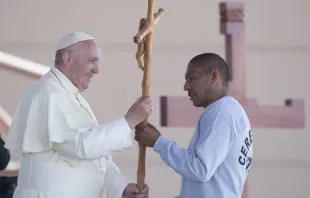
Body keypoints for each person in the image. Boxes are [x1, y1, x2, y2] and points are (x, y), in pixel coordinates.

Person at [4, 32, 151, 198]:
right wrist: (129, 121)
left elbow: (95, 159)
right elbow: (79, 147)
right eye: (92, 61)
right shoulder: (49, 93)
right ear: (68, 58)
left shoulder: (70, 96)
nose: (97, 69)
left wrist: (121, 187)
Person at [134, 53, 253, 198]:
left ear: (214, 76)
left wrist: (158, 142)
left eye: (191, 78)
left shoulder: (222, 111)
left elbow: (201, 169)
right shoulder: (227, 111)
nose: (186, 87)